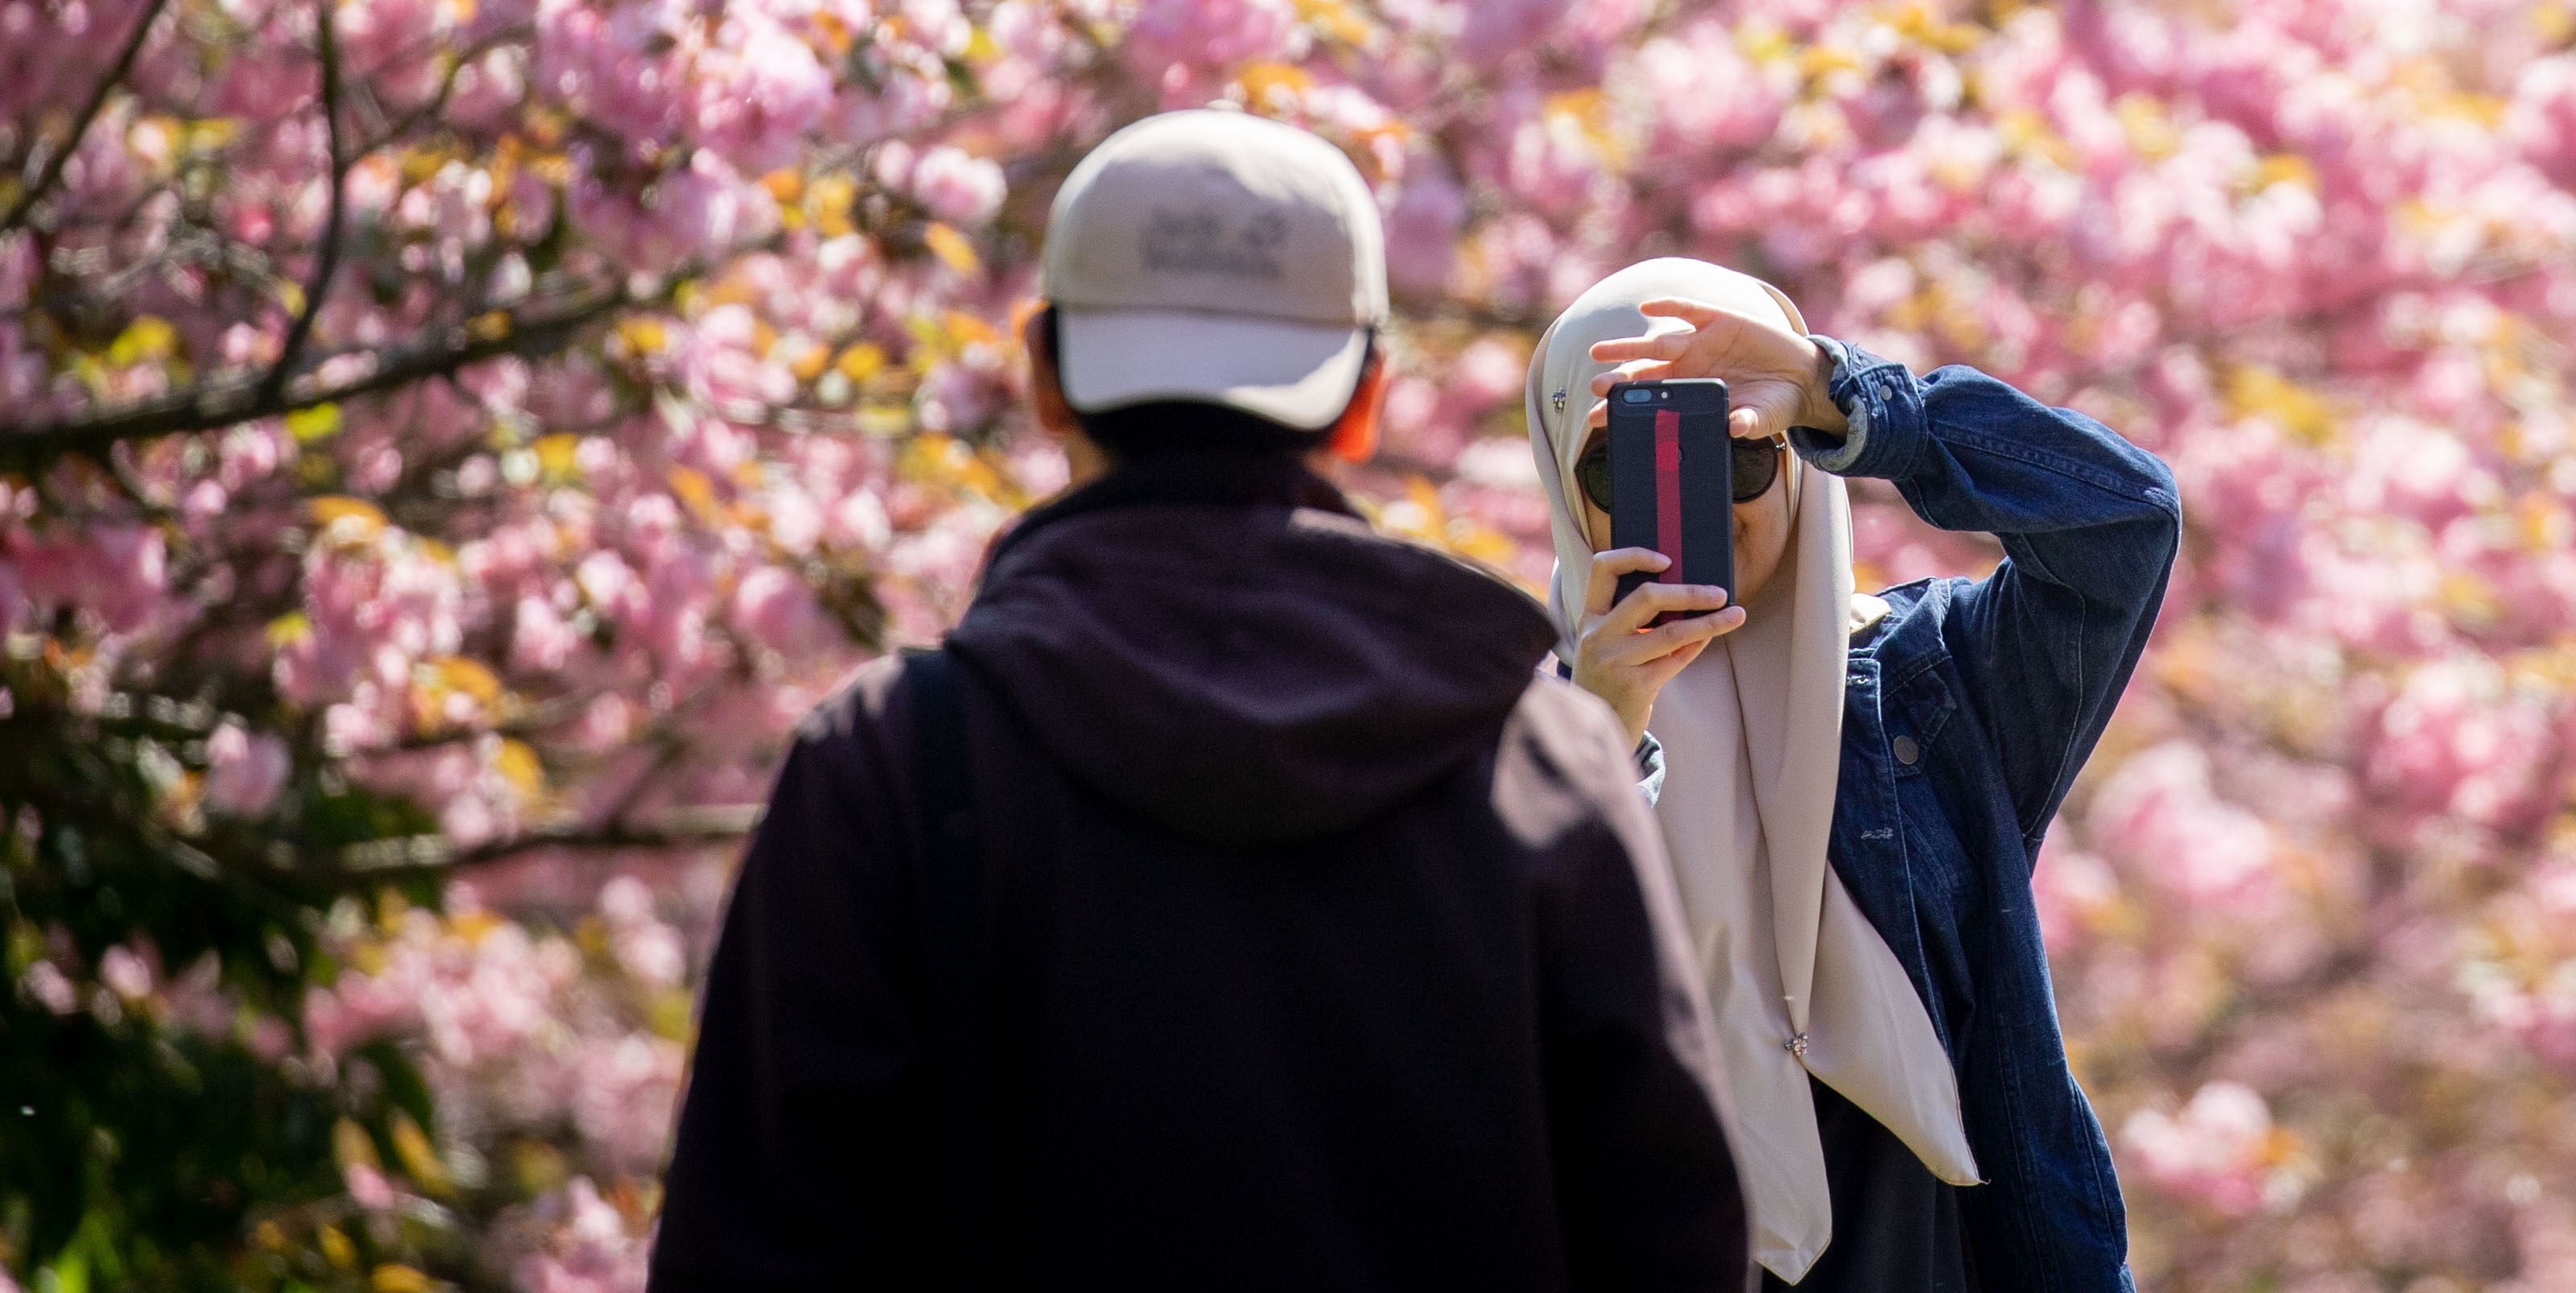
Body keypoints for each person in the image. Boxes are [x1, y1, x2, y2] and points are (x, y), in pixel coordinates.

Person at [653, 111, 1748, 1293]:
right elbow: (1668, 1237)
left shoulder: (890, 759)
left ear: (1044, 378)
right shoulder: (1539, 759)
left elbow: (757, 1239)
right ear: (1366, 395)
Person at [1535, 259, 2181, 1293]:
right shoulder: (1511, 733)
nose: (1694, 500)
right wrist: (1594, 729)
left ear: (1798, 463)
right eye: (1621, 468)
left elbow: (2127, 523)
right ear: (1564, 489)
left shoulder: (1938, 684)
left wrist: (1841, 393)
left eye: (1737, 457)